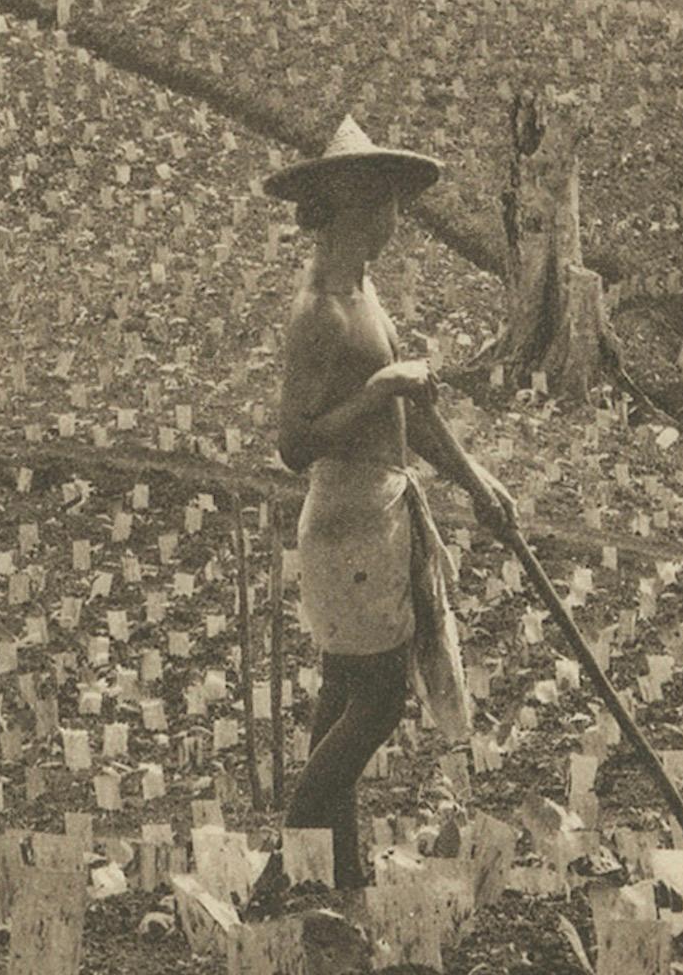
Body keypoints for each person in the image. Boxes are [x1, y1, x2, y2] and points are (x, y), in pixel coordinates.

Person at [264, 116, 514, 895]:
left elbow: (413, 417)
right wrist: (379, 388)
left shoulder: (364, 293)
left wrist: (477, 480)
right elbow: (294, 444)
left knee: (344, 697)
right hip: (346, 522)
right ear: (347, 208)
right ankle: (282, 867)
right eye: (383, 204)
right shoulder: (319, 313)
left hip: (376, 515)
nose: (395, 220)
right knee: (376, 703)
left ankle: (339, 878)